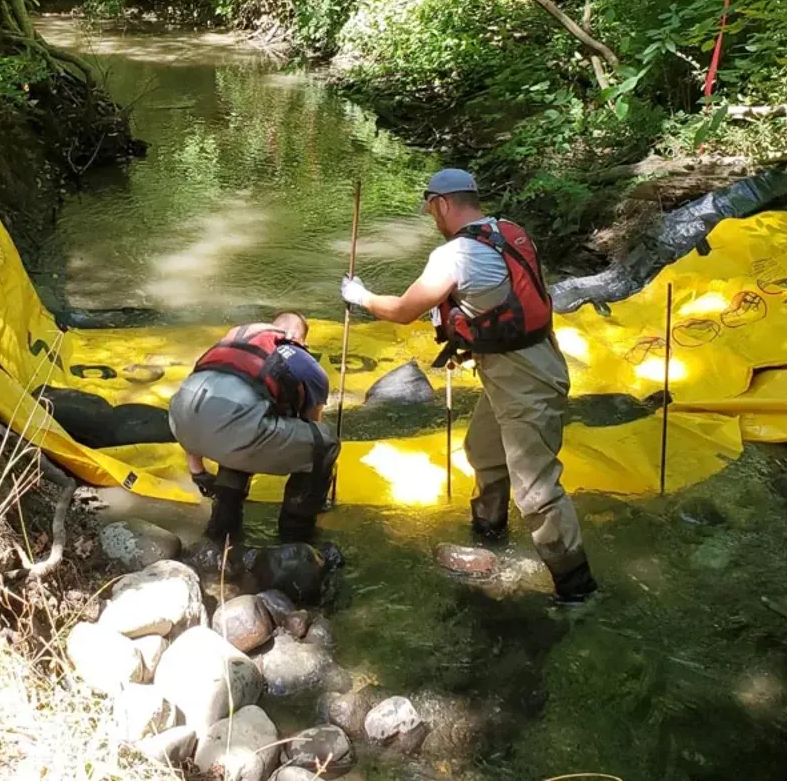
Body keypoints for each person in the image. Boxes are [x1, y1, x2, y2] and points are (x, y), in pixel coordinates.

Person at [341, 169, 597, 604]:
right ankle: (490, 541)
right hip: (526, 366)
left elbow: (404, 310)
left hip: (524, 381)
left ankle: (578, 592)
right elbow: (510, 305)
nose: (431, 219)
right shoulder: (509, 232)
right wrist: (471, 343)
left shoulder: (456, 255)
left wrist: (361, 297)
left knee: (536, 490)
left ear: (442, 203)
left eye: (430, 210)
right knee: (483, 451)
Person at [169, 311, 338, 546]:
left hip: (180, 420)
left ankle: (223, 528)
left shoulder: (231, 343)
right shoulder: (306, 363)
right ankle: (296, 533)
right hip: (232, 430)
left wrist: (197, 470)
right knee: (325, 443)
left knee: (239, 423)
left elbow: (197, 413)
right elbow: (311, 428)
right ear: (301, 340)